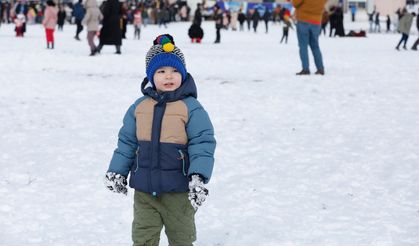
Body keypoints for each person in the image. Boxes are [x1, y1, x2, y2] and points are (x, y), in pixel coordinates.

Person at [104, 34, 216, 246]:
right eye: (161, 71)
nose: (169, 76)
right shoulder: (139, 107)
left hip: (178, 192)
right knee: (143, 237)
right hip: (145, 192)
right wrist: (117, 170)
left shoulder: (191, 108)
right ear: (150, 76)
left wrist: (198, 175)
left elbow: (202, 143)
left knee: (181, 238)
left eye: (175, 71)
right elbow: (127, 143)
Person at [292, 0, 327, 75]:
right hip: (317, 22)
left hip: (303, 20)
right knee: (315, 46)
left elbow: (295, 3)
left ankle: (305, 69)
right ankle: (320, 69)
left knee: (303, 46)